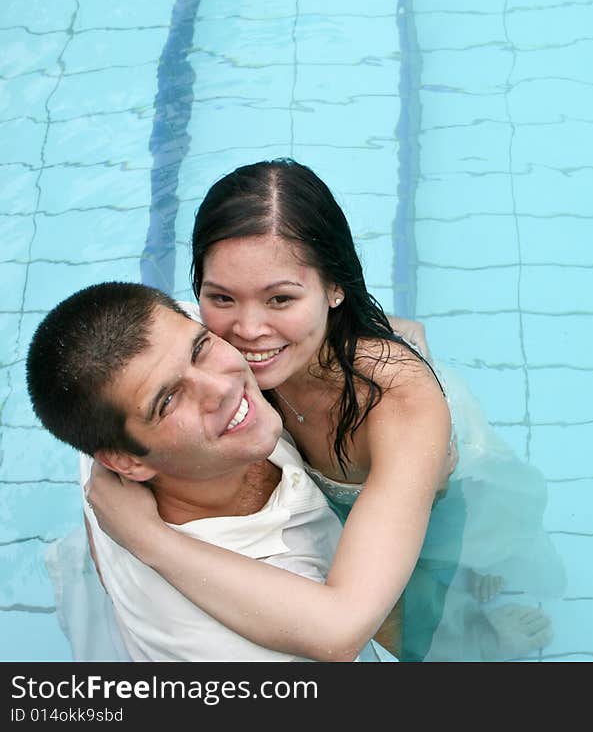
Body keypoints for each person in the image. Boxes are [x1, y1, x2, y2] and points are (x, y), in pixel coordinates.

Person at [88, 159, 565, 661]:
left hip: (443, 487)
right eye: (222, 297)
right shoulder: (204, 353)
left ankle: (485, 635)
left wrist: (144, 536)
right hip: (369, 457)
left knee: (432, 599)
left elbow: (341, 631)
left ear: (335, 288)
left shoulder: (398, 409)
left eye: (279, 299)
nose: (247, 331)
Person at [27, 281, 390, 661]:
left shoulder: (122, 397)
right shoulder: (234, 647)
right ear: (125, 463)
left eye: (200, 350)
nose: (221, 386)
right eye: (168, 401)